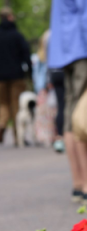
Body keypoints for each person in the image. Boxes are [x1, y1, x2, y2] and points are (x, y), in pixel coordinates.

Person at [48, 0, 87, 204]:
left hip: (64, 50)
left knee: (71, 116)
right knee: (84, 115)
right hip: (83, 49)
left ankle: (79, 184)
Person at [0, 7, 31, 144]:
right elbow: (26, 55)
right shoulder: (17, 35)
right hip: (16, 76)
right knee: (16, 106)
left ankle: (1, 126)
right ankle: (18, 138)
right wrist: (29, 72)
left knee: (3, 105)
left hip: (0, 78)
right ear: (10, 17)